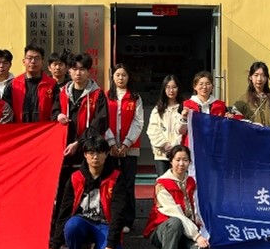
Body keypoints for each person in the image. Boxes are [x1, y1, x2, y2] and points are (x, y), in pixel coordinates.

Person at [45, 136, 128, 249]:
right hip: (82, 221)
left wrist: (111, 244)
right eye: (91, 152)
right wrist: (55, 246)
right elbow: (64, 212)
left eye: (99, 152)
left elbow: (118, 213)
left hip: (104, 224)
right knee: (72, 225)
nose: (95, 157)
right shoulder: (75, 178)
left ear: (107, 154)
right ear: (85, 155)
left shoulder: (116, 178)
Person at [50, 52, 109, 237]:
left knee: (86, 195)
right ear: (69, 71)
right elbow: (53, 112)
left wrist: (79, 143)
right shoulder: (62, 93)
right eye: (74, 69)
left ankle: (88, 235)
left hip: (87, 154)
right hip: (64, 152)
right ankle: (59, 236)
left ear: (89, 71)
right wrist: (58, 115)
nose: (78, 73)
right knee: (63, 195)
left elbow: (100, 124)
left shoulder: (97, 95)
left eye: (82, 69)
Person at [143, 145, 210, 249]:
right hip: (163, 230)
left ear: (189, 162)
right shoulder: (162, 184)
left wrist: (202, 229)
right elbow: (176, 213)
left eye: (185, 160)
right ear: (171, 161)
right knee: (175, 222)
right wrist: (196, 236)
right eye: (177, 160)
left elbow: (196, 208)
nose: (181, 164)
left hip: (186, 231)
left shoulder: (191, 181)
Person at [104, 63, 144, 233]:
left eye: (124, 75)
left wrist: (127, 143)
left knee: (128, 183)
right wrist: (111, 143)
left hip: (130, 148)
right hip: (110, 148)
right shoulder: (106, 96)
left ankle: (128, 220)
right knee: (111, 183)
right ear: (112, 77)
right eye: (118, 75)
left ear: (129, 77)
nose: (121, 78)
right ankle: (111, 217)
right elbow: (103, 119)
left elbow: (138, 122)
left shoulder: (135, 97)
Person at [3, 45, 57, 123]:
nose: (33, 61)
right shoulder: (13, 84)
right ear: (24, 61)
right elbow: (6, 110)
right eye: (29, 58)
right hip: (20, 128)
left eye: (37, 58)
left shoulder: (52, 84)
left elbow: (56, 109)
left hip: (44, 128)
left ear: (42, 62)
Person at [180, 70, 235, 144]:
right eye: (201, 84)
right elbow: (180, 131)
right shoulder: (186, 105)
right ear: (194, 86)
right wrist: (184, 118)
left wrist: (229, 121)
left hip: (214, 145)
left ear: (212, 86)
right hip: (192, 145)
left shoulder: (220, 105)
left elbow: (225, 130)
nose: (204, 87)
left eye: (208, 84)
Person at [147, 74, 185, 176]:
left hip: (180, 154)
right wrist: (165, 144)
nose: (171, 90)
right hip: (162, 154)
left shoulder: (184, 108)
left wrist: (175, 146)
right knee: (164, 183)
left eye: (174, 87)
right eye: (168, 87)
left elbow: (185, 130)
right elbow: (152, 130)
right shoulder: (158, 109)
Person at [232, 61, 270, 126]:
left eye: (263, 75)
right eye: (256, 75)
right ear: (250, 77)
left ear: (267, 78)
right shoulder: (242, 100)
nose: (259, 79)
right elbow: (236, 121)